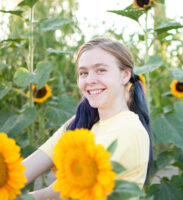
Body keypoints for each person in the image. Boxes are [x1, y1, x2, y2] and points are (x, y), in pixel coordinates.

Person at [22, 38, 153, 199]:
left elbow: (55, 195)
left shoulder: (129, 130)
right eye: (83, 73)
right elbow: (24, 171)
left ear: (125, 75)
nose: (90, 80)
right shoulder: (80, 122)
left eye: (100, 70)